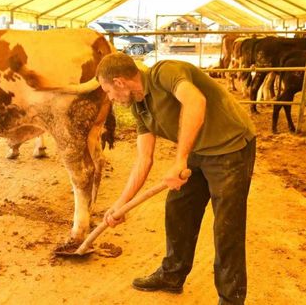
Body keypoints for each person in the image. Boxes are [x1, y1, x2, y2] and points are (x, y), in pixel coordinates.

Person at [96, 52, 256, 305]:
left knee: (227, 226)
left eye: (106, 90)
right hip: (197, 150)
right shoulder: (141, 107)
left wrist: (180, 159)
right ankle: (172, 275)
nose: (110, 98)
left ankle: (231, 299)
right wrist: (120, 204)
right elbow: (143, 160)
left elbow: (195, 101)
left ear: (119, 82)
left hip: (230, 147)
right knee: (178, 209)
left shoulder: (164, 73)